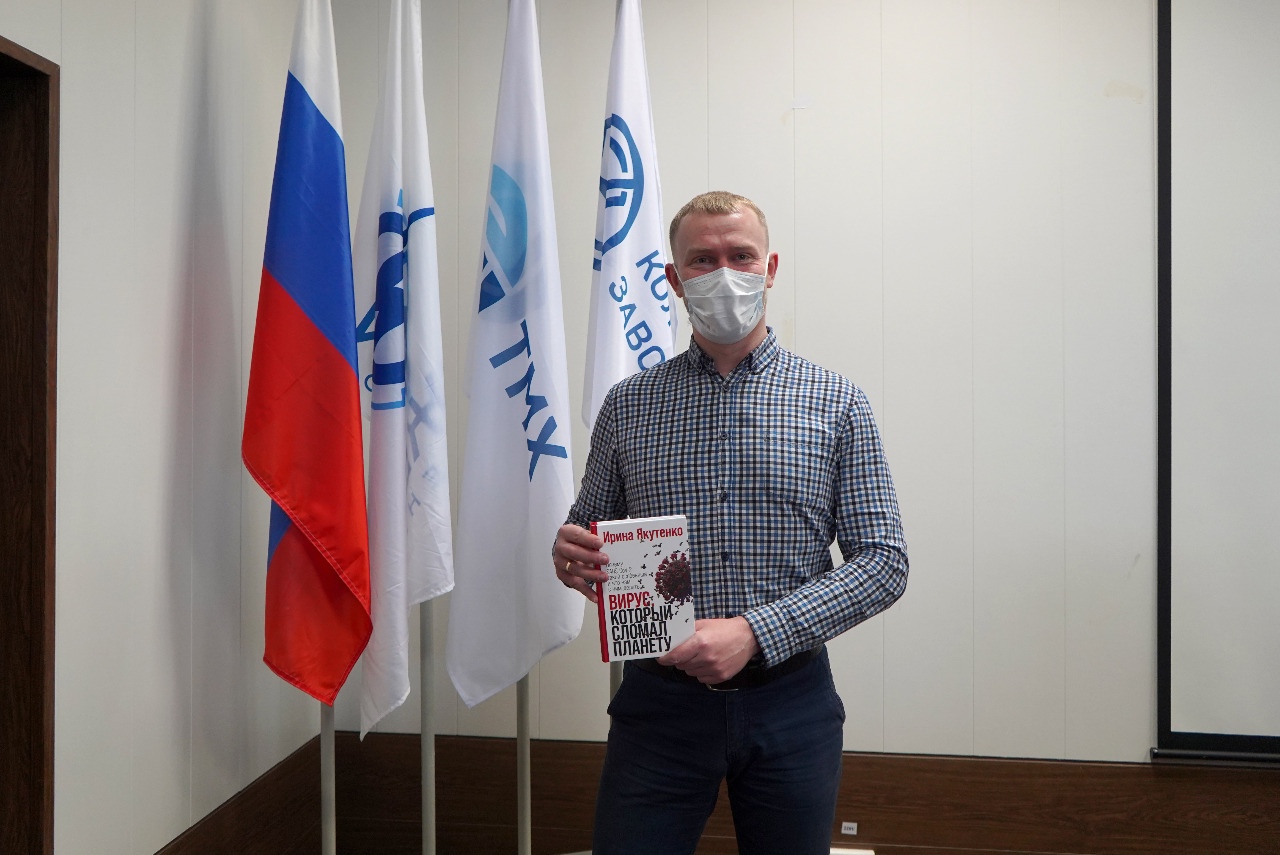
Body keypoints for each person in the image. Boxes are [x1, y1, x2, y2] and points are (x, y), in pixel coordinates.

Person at [552, 190, 908, 855]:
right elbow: (587, 532)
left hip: (792, 702)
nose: (724, 273)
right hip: (658, 706)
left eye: (741, 256)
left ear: (769, 268)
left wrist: (754, 632)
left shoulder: (837, 403)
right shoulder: (627, 406)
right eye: (702, 259)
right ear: (674, 278)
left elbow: (884, 563)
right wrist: (572, 554)